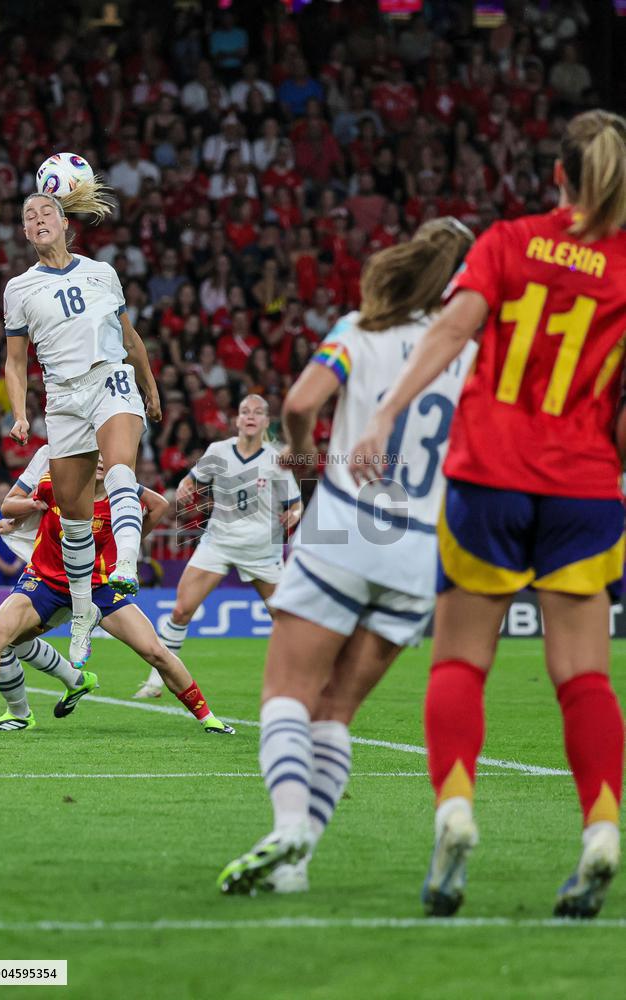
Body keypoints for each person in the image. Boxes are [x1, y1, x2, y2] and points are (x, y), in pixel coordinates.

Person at [349, 110, 626, 920]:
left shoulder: (509, 240)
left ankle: (456, 812)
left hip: (490, 475)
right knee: (584, 678)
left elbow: (452, 329)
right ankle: (603, 827)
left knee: (461, 661)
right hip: (583, 486)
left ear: (558, 177)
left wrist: (384, 414)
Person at [217, 219, 476, 895]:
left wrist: (305, 460)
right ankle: (297, 865)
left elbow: (301, 402)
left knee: (287, 694)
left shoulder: (359, 328)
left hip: (346, 525)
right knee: (336, 711)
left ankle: (290, 827)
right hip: (421, 547)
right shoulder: (479, 353)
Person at [3, 176, 162, 672]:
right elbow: (14, 361)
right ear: (27, 234)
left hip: (109, 379)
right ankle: (80, 616)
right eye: (29, 218)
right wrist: (19, 412)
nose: (38, 221)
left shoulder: (102, 273)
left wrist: (150, 387)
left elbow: (130, 337)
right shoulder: (20, 288)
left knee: (119, 469)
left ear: (65, 223)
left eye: (46, 213)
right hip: (63, 397)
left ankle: (126, 565)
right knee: (73, 519)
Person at [0, 451, 234, 737]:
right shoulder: (57, 483)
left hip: (98, 587)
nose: (101, 461)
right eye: (96, 456)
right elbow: (15, 506)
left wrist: (129, 546)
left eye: (107, 456)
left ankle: (208, 718)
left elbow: (158, 505)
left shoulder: (122, 499)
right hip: (46, 582)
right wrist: (18, 521)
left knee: (155, 652)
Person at [135, 394, 301, 699]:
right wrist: (186, 489)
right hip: (219, 542)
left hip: (261, 548)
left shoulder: (276, 459)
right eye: (245, 411)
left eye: (258, 412)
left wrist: (292, 516)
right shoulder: (218, 451)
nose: (251, 416)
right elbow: (190, 481)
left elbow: (296, 505)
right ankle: (155, 683)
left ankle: (300, 681)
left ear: (266, 422)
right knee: (182, 610)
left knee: (283, 617)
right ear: (237, 420)